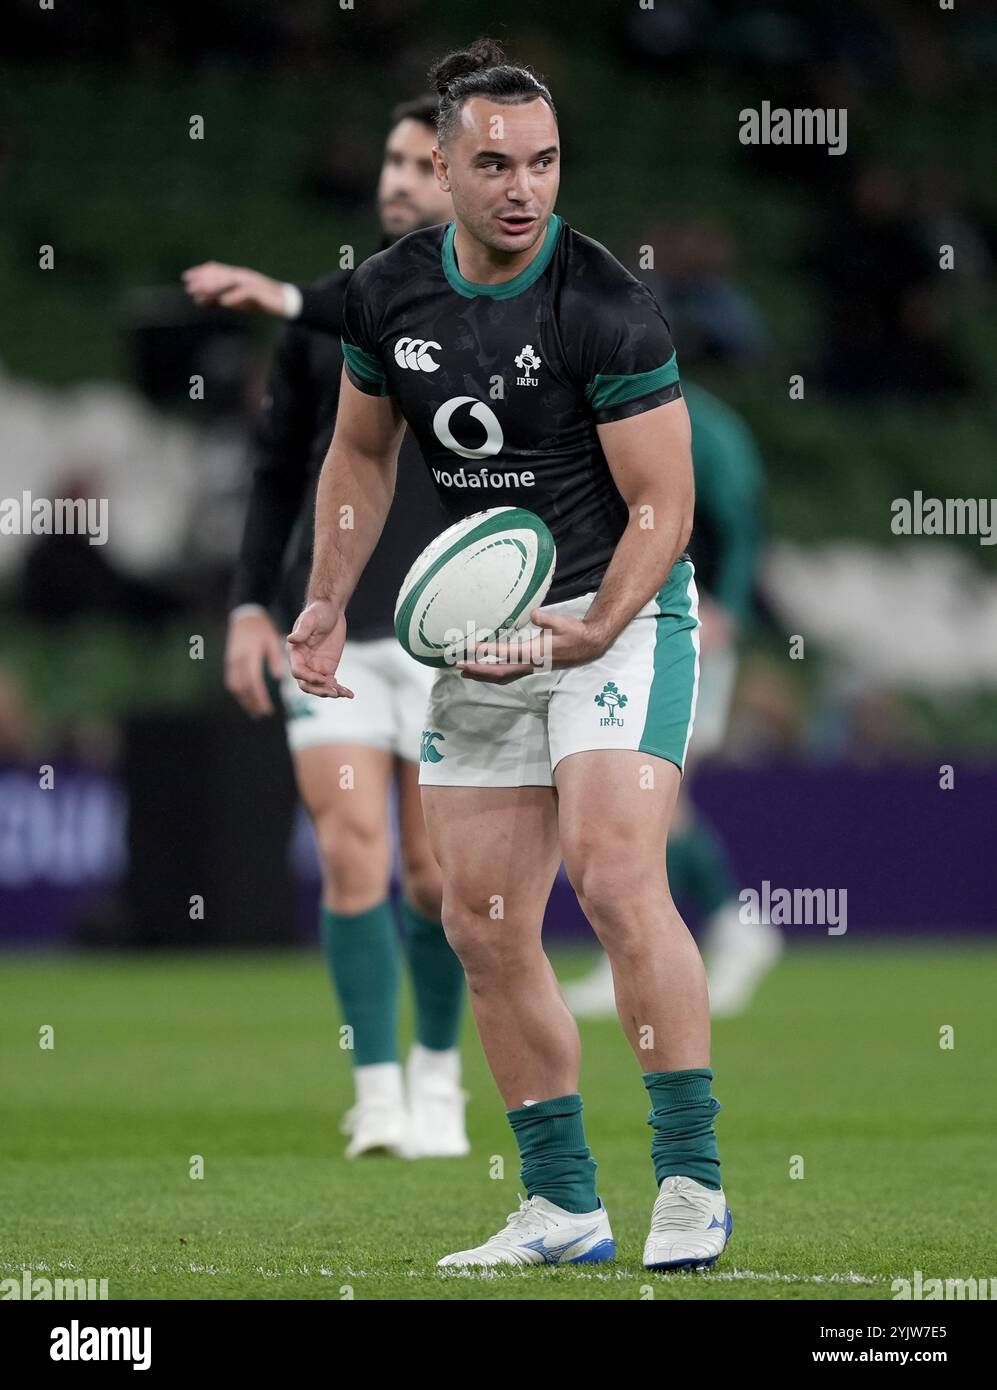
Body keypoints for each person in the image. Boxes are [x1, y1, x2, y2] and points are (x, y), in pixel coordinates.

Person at [288, 39, 732, 1271]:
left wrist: (594, 624)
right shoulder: (385, 294)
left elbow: (664, 508)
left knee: (612, 875)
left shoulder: (602, 302)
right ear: (441, 163)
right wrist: (325, 599)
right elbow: (361, 457)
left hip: (618, 616)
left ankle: (691, 1181)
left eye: (541, 161)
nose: (523, 186)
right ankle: (561, 1204)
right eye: (492, 163)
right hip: (481, 637)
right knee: (481, 920)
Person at [183, 97, 469, 1161]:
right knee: (355, 855)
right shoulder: (328, 325)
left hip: (448, 639)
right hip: (333, 630)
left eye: (418, 162)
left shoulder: (501, 312)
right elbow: (275, 473)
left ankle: (441, 1078)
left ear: (459, 176)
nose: (396, 176)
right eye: (389, 157)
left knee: (437, 878)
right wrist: (251, 603)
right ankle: (379, 1090)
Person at [565, 379, 783, 1019]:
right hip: (624, 618)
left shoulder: (703, 428)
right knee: (637, 797)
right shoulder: (598, 414)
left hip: (682, 620)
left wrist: (731, 611)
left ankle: (722, 926)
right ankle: (721, 929)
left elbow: (741, 521)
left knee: (645, 791)